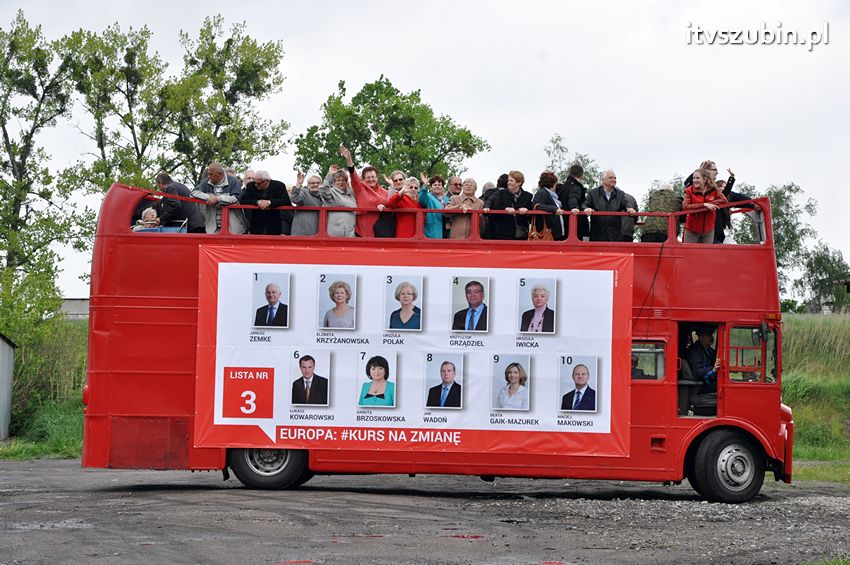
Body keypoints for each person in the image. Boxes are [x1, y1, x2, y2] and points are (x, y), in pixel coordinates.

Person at [339, 144, 389, 237]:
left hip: (380, 230)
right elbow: (353, 176)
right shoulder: (360, 187)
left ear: (377, 178)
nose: (371, 179)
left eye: (373, 177)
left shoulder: (384, 192)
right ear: (364, 179)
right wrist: (349, 160)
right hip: (361, 231)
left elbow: (391, 205)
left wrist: (384, 208)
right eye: (368, 177)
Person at [580, 170, 636, 242]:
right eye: (610, 178)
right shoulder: (593, 193)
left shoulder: (620, 194)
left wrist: (630, 208)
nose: (613, 180)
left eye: (615, 178)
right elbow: (585, 204)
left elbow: (626, 203)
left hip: (615, 237)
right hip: (597, 236)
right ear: (603, 180)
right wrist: (586, 209)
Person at [191, 162, 246, 234]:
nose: (209, 176)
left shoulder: (234, 182)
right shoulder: (207, 182)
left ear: (220, 174)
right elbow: (194, 192)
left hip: (233, 229)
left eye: (211, 174)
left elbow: (236, 198)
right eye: (208, 173)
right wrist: (208, 197)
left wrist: (218, 199)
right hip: (213, 229)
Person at [240, 170, 293, 235]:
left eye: (258, 183)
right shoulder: (251, 186)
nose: (256, 185)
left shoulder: (279, 186)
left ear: (267, 181)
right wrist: (257, 202)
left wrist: (270, 202)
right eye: (255, 182)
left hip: (274, 224)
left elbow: (286, 201)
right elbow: (244, 200)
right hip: (256, 224)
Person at [683, 168, 727, 243]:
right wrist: (704, 205)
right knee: (690, 253)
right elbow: (685, 207)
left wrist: (711, 204)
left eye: (697, 178)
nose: (694, 180)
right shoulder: (689, 191)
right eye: (693, 178)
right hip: (692, 229)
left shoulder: (713, 189)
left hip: (708, 230)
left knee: (706, 253)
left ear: (704, 179)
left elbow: (724, 200)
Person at [487, 170, 532, 240]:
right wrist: (505, 209)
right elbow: (495, 209)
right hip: (502, 234)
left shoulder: (528, 196)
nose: (508, 183)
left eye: (511, 180)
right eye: (508, 181)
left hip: (521, 235)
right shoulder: (501, 193)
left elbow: (531, 216)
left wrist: (527, 211)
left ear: (519, 182)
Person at [318, 166, 357, 237]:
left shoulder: (351, 195)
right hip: (336, 234)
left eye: (343, 180)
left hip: (350, 232)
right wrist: (330, 174)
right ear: (334, 182)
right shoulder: (331, 193)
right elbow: (322, 190)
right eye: (338, 180)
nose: (341, 182)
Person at [531, 171, 566, 240]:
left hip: (553, 233)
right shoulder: (542, 193)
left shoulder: (549, 194)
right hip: (547, 232)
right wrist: (554, 209)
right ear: (553, 184)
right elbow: (537, 206)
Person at [687, 326, 721, 394]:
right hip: (702, 385)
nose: (711, 337)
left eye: (711, 334)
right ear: (700, 337)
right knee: (723, 385)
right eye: (708, 335)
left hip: (708, 381)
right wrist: (713, 370)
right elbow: (698, 372)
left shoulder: (708, 349)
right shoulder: (696, 351)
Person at [560, 164, 590, 240]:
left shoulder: (563, 187)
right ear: (581, 175)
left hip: (563, 225)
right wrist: (574, 207)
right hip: (575, 226)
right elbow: (573, 198)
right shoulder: (576, 188)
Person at [290, 172, 323, 236]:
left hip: (318, 232)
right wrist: (298, 184)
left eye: (318, 183)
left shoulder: (323, 196)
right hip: (302, 232)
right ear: (308, 184)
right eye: (312, 183)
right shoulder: (304, 192)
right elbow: (294, 199)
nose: (315, 185)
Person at [418, 173, 445, 239]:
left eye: (439, 185)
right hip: (431, 229)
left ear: (442, 187)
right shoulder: (428, 196)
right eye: (434, 185)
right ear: (430, 187)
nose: (437, 186)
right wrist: (425, 185)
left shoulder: (445, 199)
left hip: (443, 229)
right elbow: (421, 200)